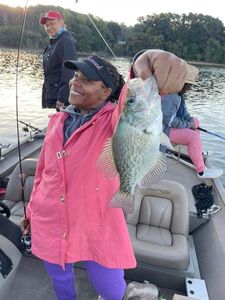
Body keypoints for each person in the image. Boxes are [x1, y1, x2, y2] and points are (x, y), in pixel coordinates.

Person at [21, 50, 187, 300]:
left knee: (109, 286)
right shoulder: (57, 121)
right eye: (75, 75)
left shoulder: (114, 121)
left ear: (107, 92)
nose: (75, 82)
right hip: (49, 220)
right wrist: (31, 213)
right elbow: (44, 173)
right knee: (59, 280)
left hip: (97, 224)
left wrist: (147, 58)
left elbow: (132, 100)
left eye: (86, 79)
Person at [161, 64, 223, 179]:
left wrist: (191, 122)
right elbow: (168, 120)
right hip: (162, 130)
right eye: (189, 85)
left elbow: (183, 113)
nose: (190, 88)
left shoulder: (179, 94)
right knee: (193, 137)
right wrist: (188, 125)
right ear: (181, 83)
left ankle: (196, 153)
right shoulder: (172, 96)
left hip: (169, 125)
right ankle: (202, 171)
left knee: (196, 121)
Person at [40, 10, 77, 111]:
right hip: (52, 92)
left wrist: (62, 98)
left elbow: (69, 72)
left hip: (60, 97)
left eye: (52, 23)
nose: (49, 27)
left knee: (61, 123)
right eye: (46, 25)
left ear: (61, 22)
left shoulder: (66, 41)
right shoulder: (54, 41)